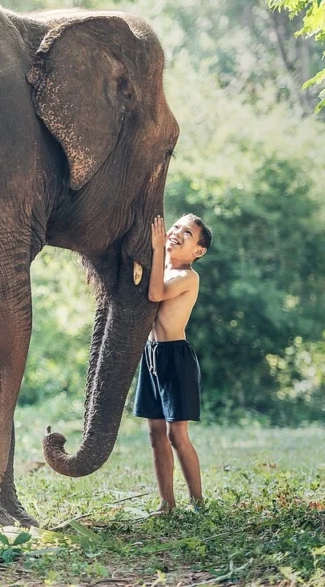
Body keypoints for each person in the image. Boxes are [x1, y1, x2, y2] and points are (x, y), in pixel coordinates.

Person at [135, 213, 212, 512]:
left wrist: (156, 248)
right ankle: (167, 504)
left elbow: (155, 293)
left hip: (175, 358)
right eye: (176, 226)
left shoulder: (187, 276)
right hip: (151, 355)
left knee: (176, 434)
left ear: (198, 251)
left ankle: (198, 503)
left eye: (188, 233)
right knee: (155, 433)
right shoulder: (162, 268)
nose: (177, 233)